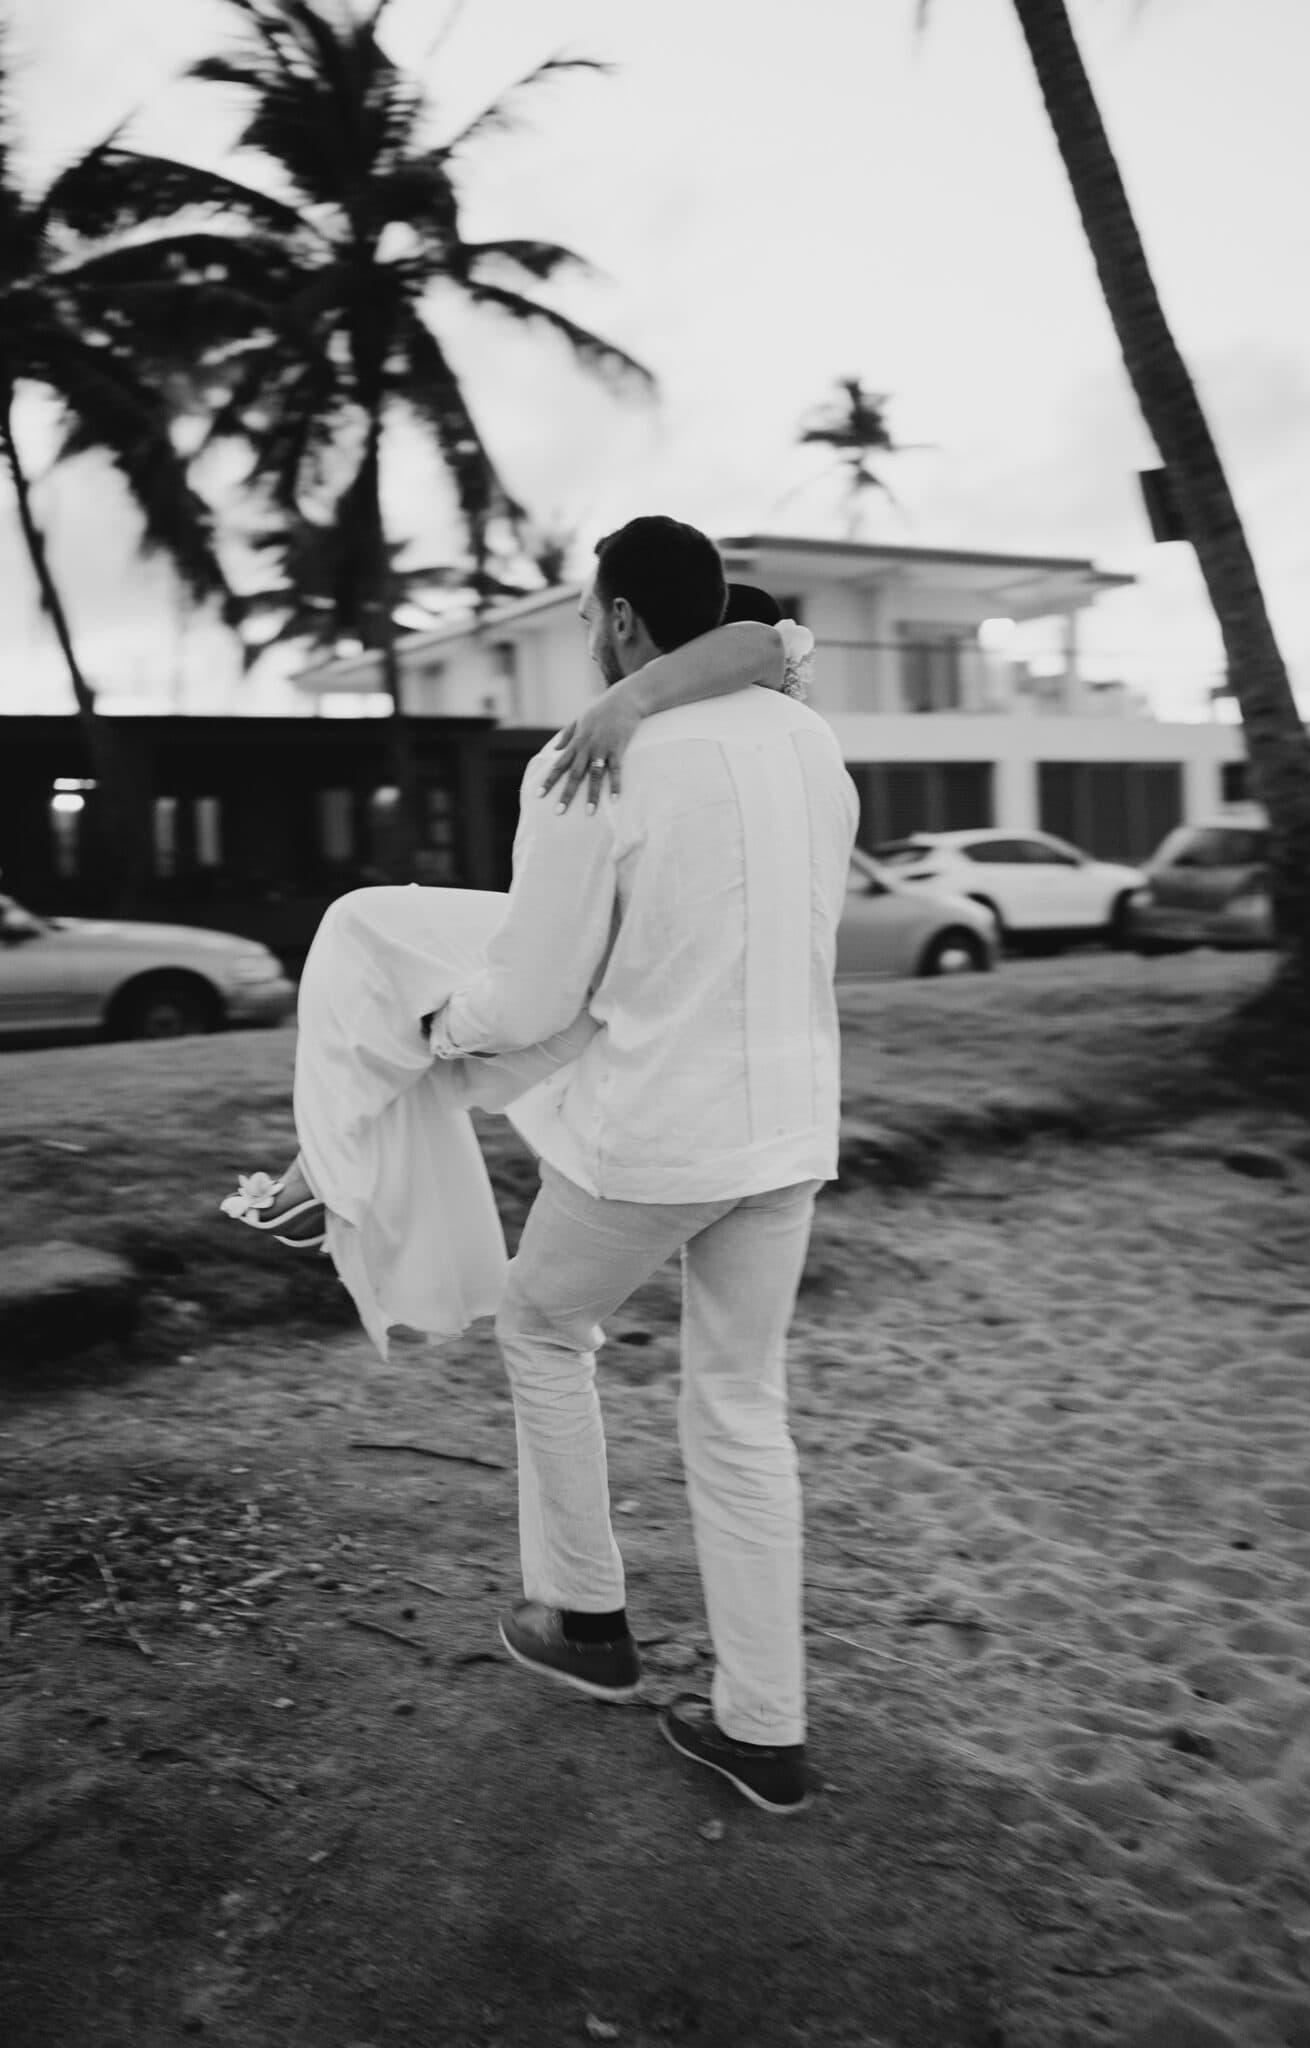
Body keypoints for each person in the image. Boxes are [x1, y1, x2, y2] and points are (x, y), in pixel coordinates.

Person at [422, 516, 858, 1814]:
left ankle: (586, 1621)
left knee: (542, 1326)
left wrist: (438, 1027)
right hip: (789, 1122)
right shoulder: (811, 743)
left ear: (617, 620)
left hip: (664, 1131)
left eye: (581, 619)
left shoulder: (593, 756)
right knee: (739, 1403)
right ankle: (763, 1729)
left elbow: (540, 984)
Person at [220, 582, 814, 1354]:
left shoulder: (727, 708)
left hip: (641, 973)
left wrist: (626, 701)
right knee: (394, 968)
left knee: (375, 941)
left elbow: (764, 643)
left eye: (591, 618)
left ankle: (330, 1171)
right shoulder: (791, 745)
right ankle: (328, 1163)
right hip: (667, 977)